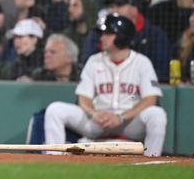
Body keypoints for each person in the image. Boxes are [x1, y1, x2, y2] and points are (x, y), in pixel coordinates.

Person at [44, 13, 166, 157]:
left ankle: (151, 160)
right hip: (98, 121)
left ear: (122, 37)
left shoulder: (142, 62)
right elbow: (83, 97)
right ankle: (54, 158)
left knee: (157, 114)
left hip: (128, 122)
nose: (102, 37)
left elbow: (150, 99)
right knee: (55, 110)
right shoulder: (94, 61)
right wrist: (94, 113)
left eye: (108, 34)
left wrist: (120, 117)